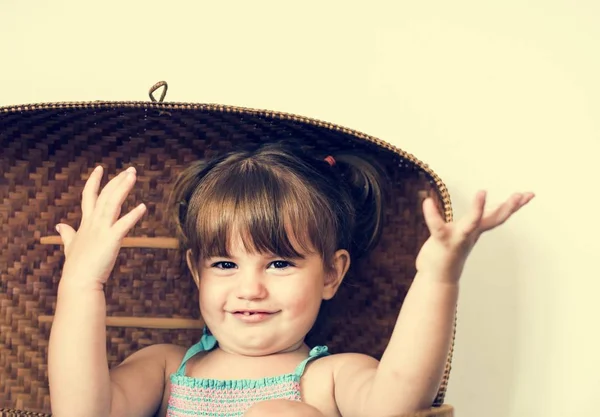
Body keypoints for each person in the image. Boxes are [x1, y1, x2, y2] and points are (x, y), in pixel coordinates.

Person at [48, 141, 534, 417]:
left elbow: (399, 400)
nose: (250, 289)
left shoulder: (328, 379)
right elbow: (81, 412)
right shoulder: (167, 371)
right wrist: (81, 285)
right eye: (225, 265)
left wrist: (437, 277)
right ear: (196, 270)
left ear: (332, 274)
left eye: (279, 264)